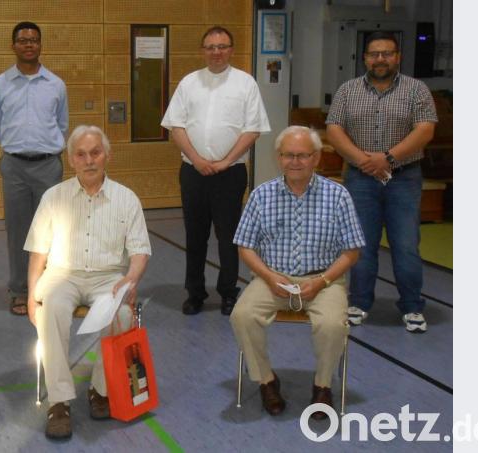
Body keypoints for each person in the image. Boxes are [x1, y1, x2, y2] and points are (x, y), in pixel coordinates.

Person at [24, 125, 151, 439]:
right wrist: (30, 294)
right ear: (71, 160)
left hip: (108, 277)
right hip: (62, 274)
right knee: (50, 306)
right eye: (81, 154)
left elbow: (139, 250)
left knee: (122, 314)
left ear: (107, 155)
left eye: (95, 152)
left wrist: (131, 280)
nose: (89, 160)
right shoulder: (53, 197)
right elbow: (38, 251)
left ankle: (100, 389)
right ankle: (59, 401)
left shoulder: (127, 198)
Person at [230, 126, 366, 419]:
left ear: (316, 157)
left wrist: (323, 281)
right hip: (272, 279)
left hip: (325, 280)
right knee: (242, 315)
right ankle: (266, 380)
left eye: (303, 155)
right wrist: (268, 276)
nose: (295, 161)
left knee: (332, 324)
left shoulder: (338, 196)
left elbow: (352, 251)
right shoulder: (260, 195)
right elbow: (245, 247)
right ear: (279, 158)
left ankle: (322, 386)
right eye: (289, 155)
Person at [326, 31, 437, 333]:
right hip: (360, 180)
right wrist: (365, 161)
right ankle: (359, 303)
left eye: (387, 53)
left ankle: (412, 306)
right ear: (365, 58)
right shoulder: (347, 90)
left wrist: (387, 158)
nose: (380, 59)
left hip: (404, 178)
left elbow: (425, 130)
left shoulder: (417, 90)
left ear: (397, 57)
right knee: (361, 245)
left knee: (406, 245)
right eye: (374, 54)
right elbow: (334, 129)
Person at [161, 26, 270, 316]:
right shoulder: (189, 83)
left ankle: (228, 293)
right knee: (195, 236)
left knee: (228, 237)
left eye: (222, 46)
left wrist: (224, 161)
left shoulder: (246, 84)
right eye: (211, 46)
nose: (216, 52)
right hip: (193, 172)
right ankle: (195, 293)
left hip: (230, 173)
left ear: (231, 50)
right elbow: (176, 125)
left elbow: (253, 129)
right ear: (203, 50)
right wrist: (196, 159)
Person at [0, 21, 69, 316]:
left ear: (40, 45)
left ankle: (47, 288)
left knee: (51, 231)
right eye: (23, 40)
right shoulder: (0, 85)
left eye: (34, 40)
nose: (29, 45)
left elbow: (62, 125)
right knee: (19, 231)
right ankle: (20, 291)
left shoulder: (56, 84)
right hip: (15, 167)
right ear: (13, 46)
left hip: (49, 166)